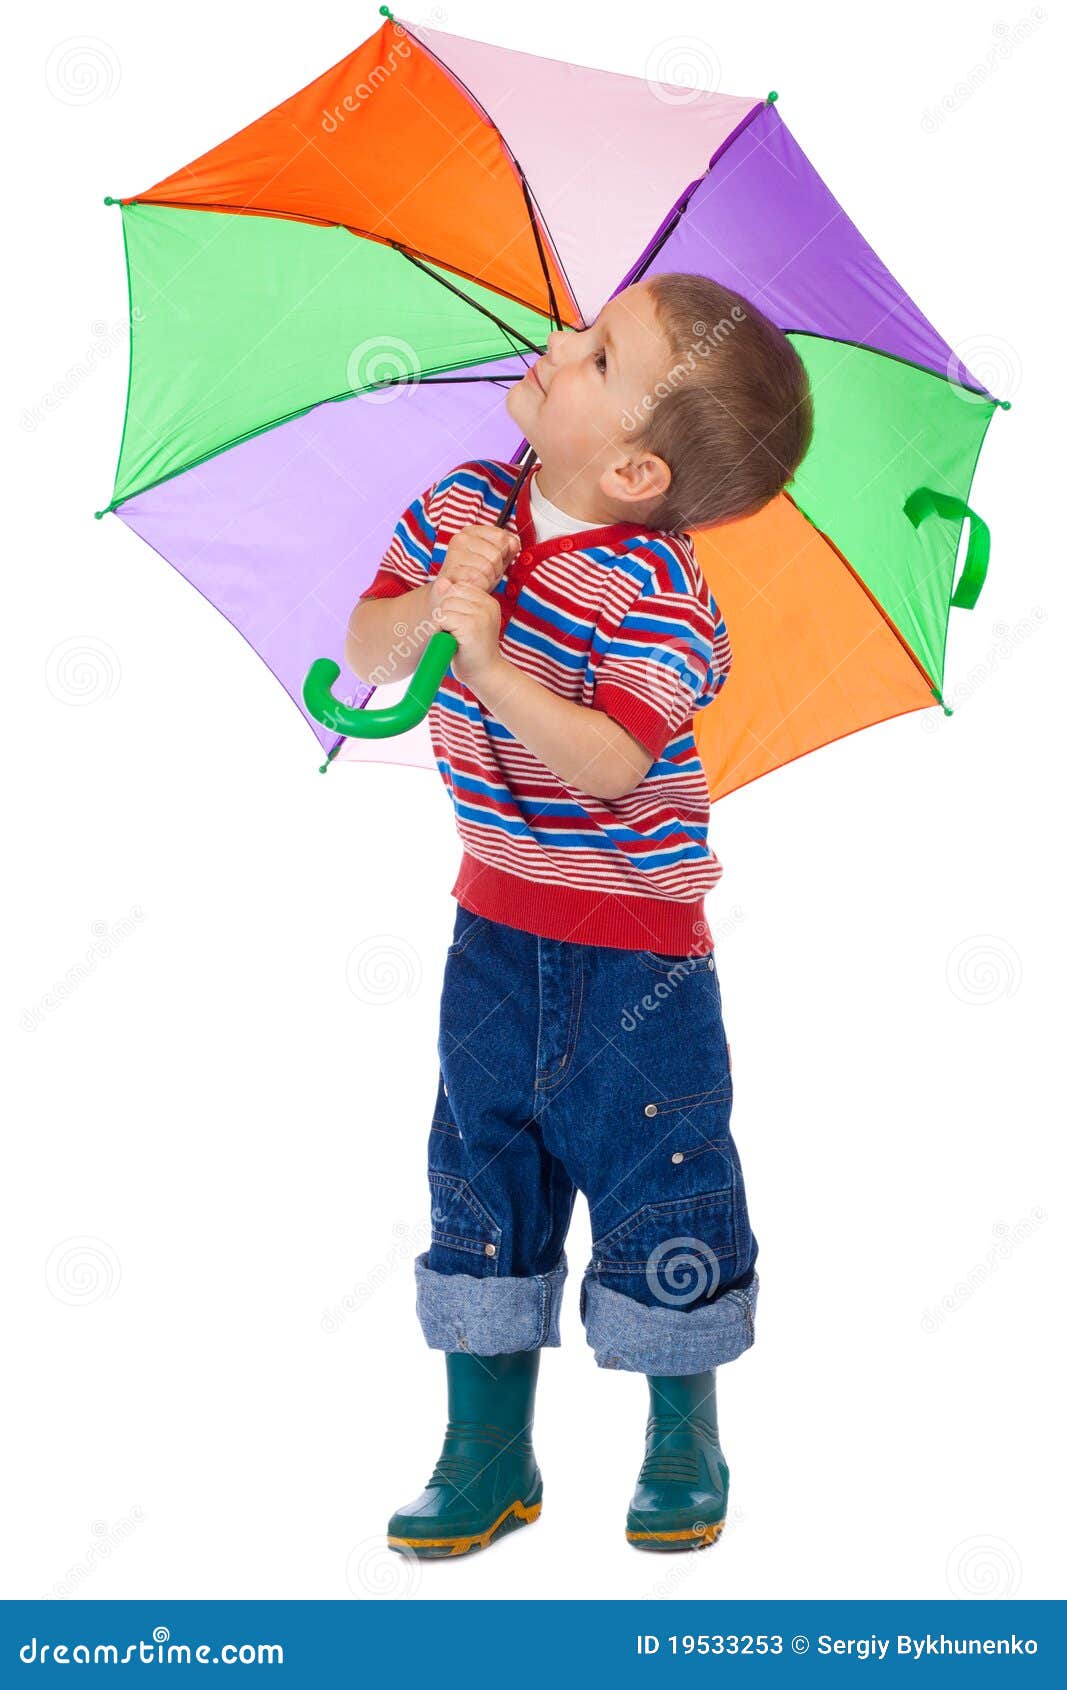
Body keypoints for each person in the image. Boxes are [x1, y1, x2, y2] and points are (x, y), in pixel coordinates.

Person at [345, 272, 814, 1557]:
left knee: (659, 1178)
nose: (558, 343)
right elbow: (367, 645)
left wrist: (490, 656)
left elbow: (608, 764)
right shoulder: (462, 504)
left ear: (633, 475)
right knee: (480, 1173)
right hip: (492, 930)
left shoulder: (657, 593)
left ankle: (681, 1428)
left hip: (637, 962)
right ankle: (487, 1447)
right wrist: (437, 600)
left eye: (599, 356)